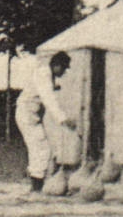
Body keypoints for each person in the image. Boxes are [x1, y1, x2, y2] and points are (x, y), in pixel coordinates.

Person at [16, 53, 77, 192]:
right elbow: (48, 99)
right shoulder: (44, 75)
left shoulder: (46, 74)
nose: (64, 72)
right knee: (41, 148)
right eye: (63, 68)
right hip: (27, 114)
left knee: (39, 148)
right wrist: (63, 119)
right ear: (56, 65)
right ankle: (36, 186)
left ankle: (36, 182)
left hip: (30, 114)